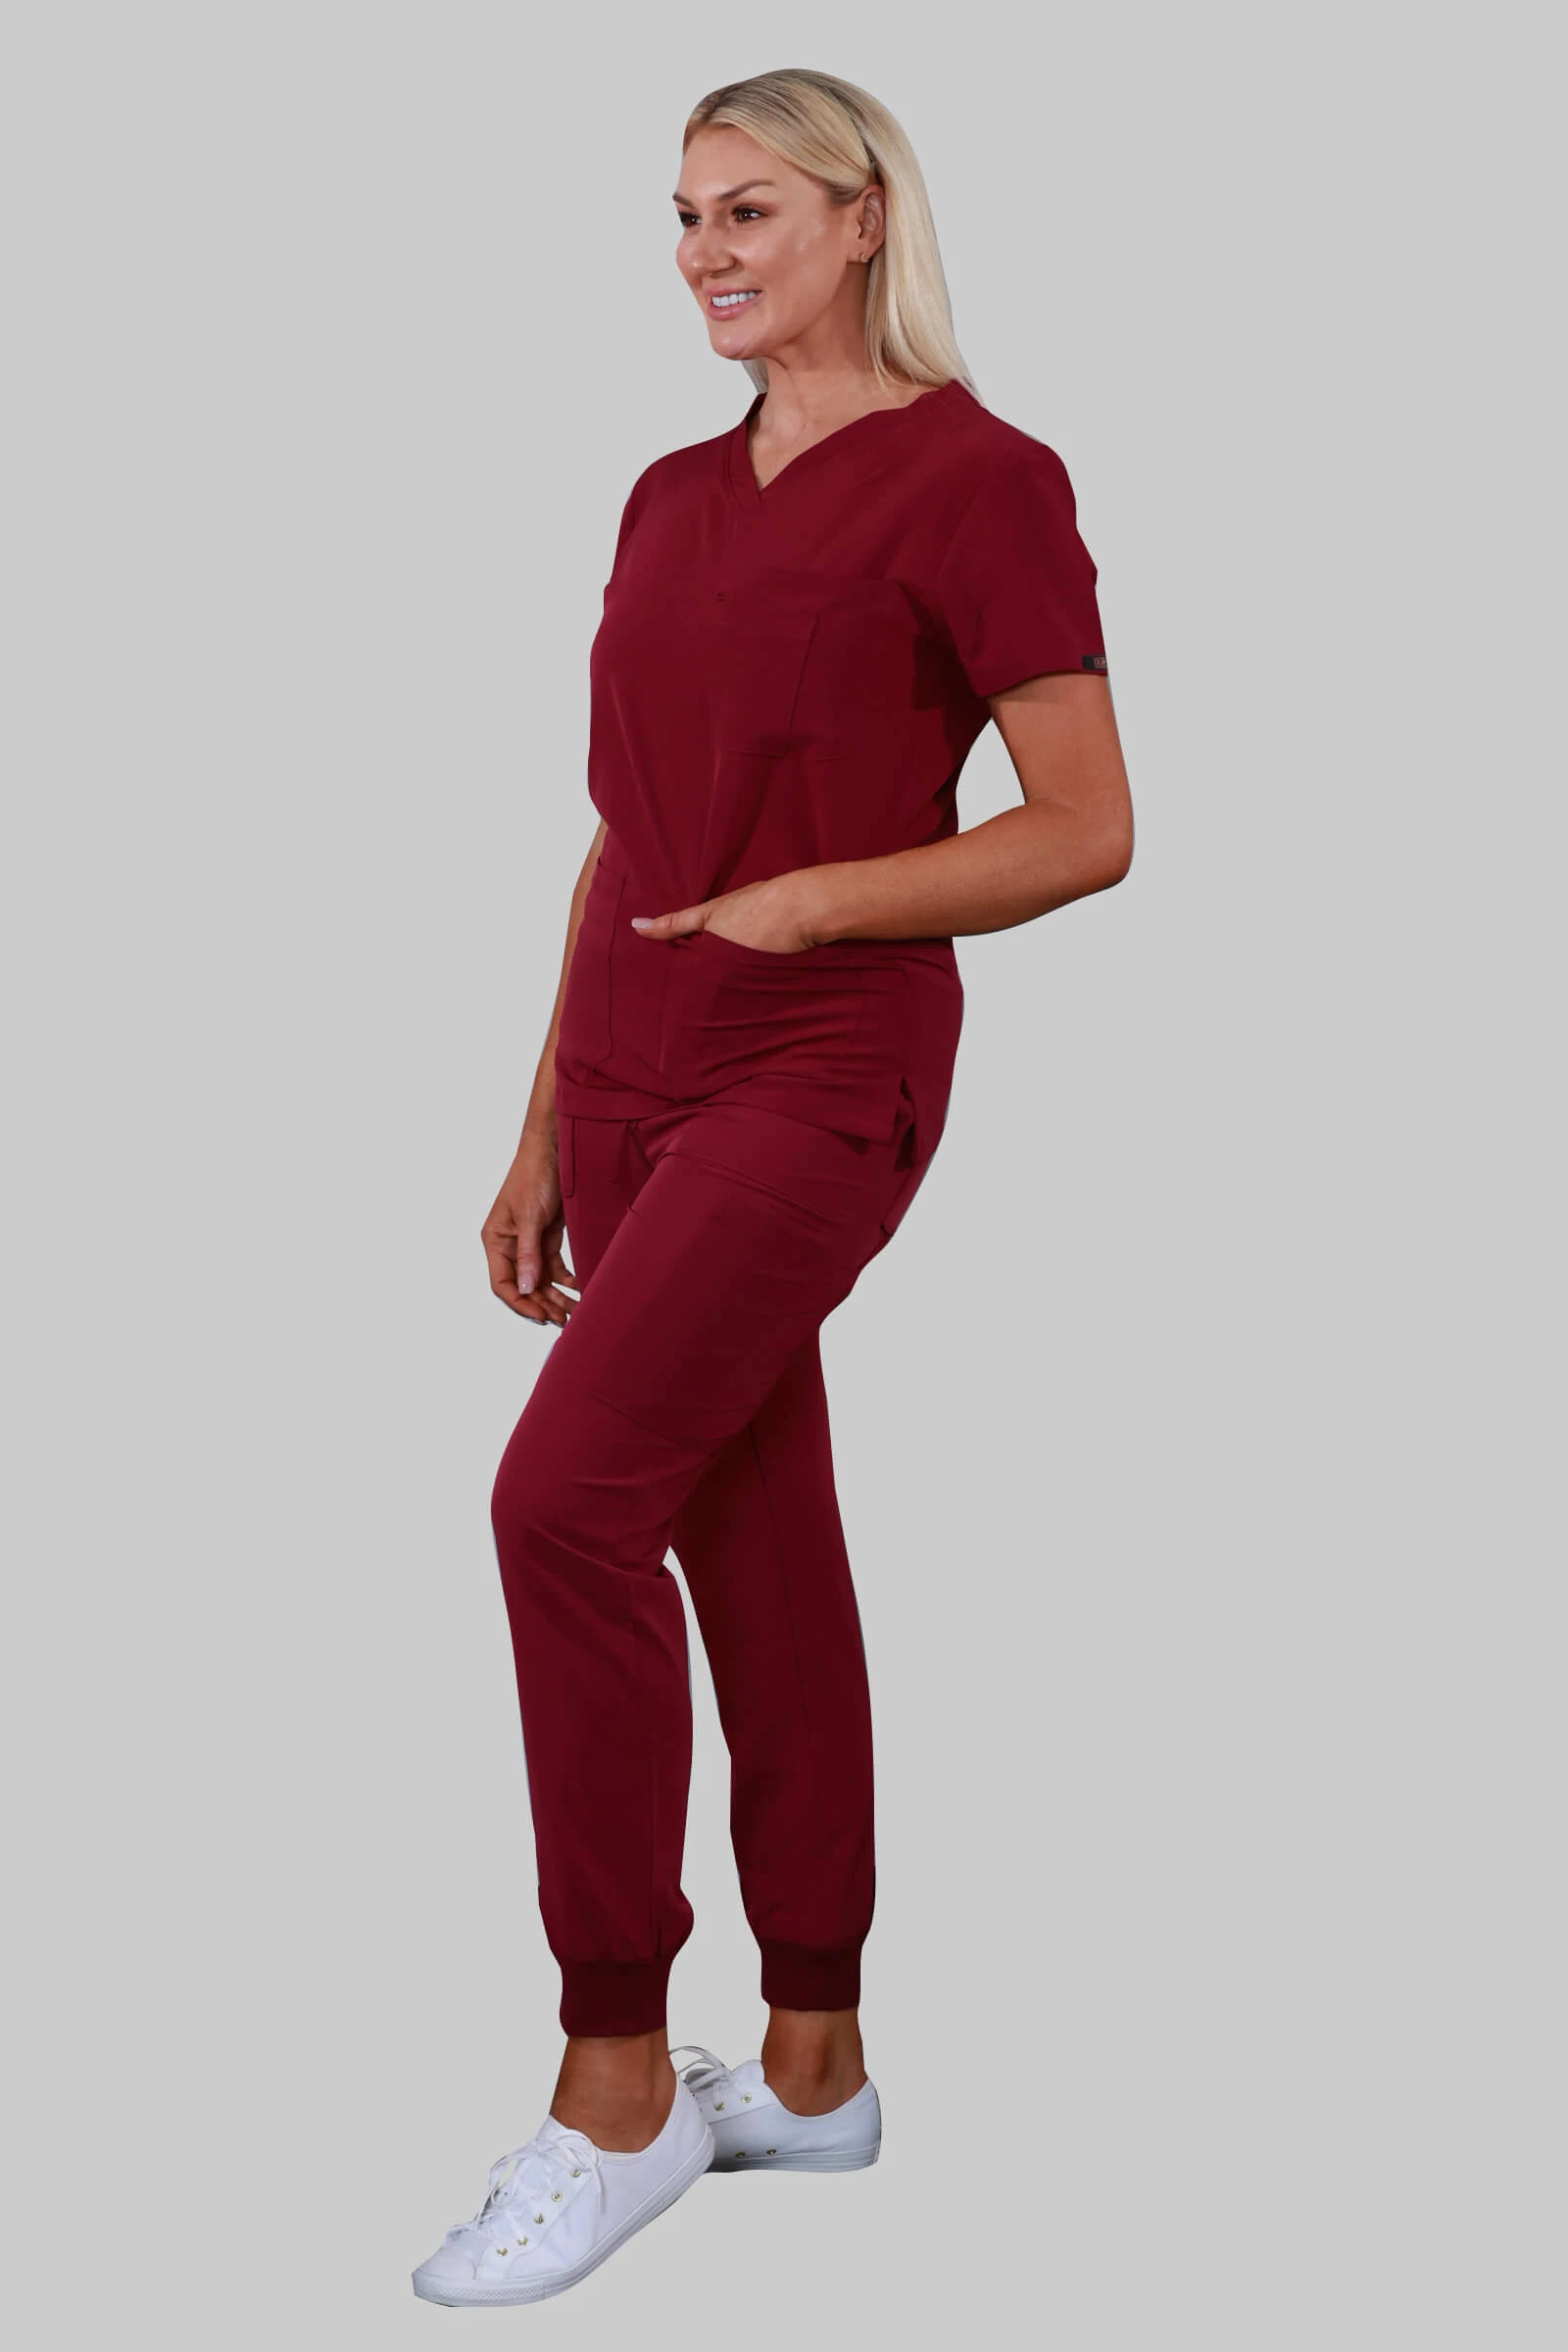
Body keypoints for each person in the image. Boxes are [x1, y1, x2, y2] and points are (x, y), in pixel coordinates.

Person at [412, 66, 1133, 2309]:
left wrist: (820, 901)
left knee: (559, 1508)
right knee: (746, 1520)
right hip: (627, 1062)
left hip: (815, 1065)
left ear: (858, 218)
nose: (705, 251)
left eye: (747, 210)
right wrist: (543, 1117)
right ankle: (810, 2060)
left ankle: (615, 2077)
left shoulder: (982, 480)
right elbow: (625, 825)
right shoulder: (663, 493)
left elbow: (1083, 824)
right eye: (682, 214)